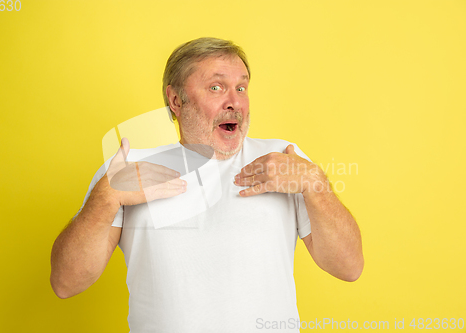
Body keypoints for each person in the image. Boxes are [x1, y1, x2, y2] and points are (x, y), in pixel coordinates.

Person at [50, 37, 363, 332]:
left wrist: (315, 183)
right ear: (176, 100)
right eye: (216, 87)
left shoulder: (283, 160)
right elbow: (66, 283)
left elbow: (349, 267)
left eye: (241, 88)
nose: (235, 102)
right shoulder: (127, 169)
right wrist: (105, 199)